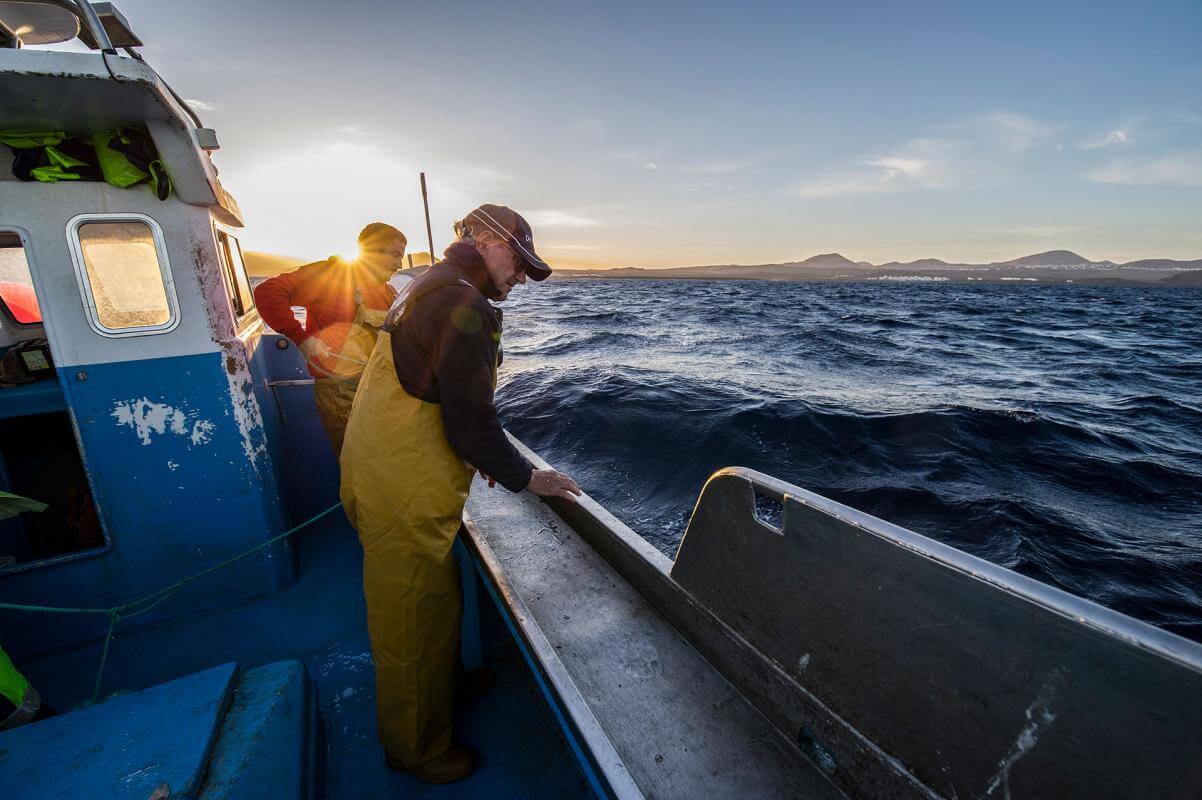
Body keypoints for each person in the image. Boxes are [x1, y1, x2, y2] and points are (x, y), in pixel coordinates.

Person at [339, 204, 581, 784]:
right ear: (486, 240)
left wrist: (483, 456)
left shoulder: (430, 284)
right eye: (518, 262)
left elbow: (437, 395)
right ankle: (415, 748)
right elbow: (470, 420)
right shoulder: (460, 302)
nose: (520, 277)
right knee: (410, 617)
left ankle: (445, 687)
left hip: (381, 467)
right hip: (402, 485)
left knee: (436, 591)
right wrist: (528, 476)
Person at [253, 223, 407, 454]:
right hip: (342, 396)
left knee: (386, 465)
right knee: (359, 465)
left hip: (380, 390)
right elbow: (267, 293)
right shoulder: (332, 276)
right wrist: (302, 339)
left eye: (401, 257)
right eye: (395, 255)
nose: (399, 265)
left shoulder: (388, 292)